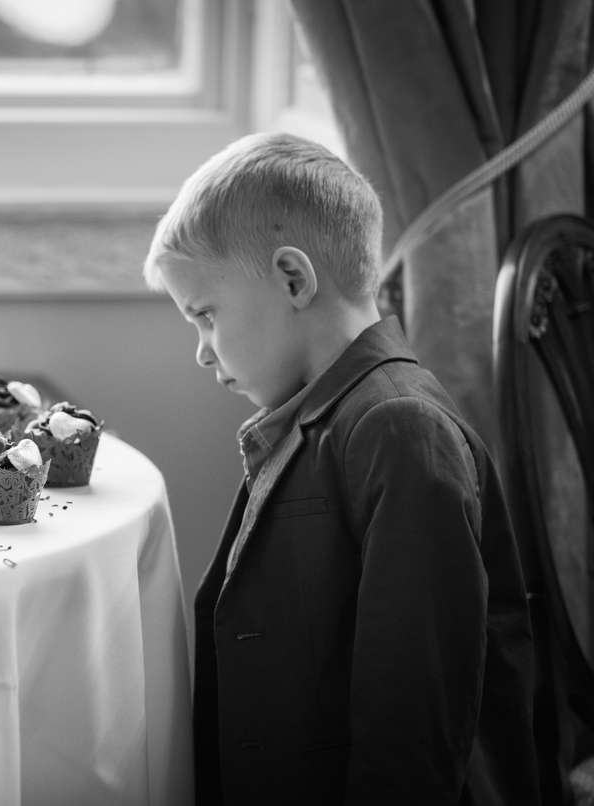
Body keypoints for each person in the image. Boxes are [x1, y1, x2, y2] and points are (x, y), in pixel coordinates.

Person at [144, 132, 538, 805]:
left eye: (206, 316)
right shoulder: (322, 419)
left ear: (294, 278)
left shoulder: (400, 432)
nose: (203, 354)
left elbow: (414, 715)